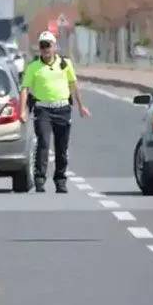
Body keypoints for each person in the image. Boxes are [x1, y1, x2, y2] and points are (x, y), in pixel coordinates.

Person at [20, 31, 91, 193]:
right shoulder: (33, 67)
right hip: (42, 109)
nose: (45, 49)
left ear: (55, 47)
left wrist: (81, 106)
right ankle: (39, 178)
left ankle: (60, 180)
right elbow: (25, 89)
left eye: (48, 45)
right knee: (43, 143)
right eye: (42, 45)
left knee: (61, 147)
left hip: (62, 109)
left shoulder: (65, 64)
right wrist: (23, 111)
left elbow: (73, 85)